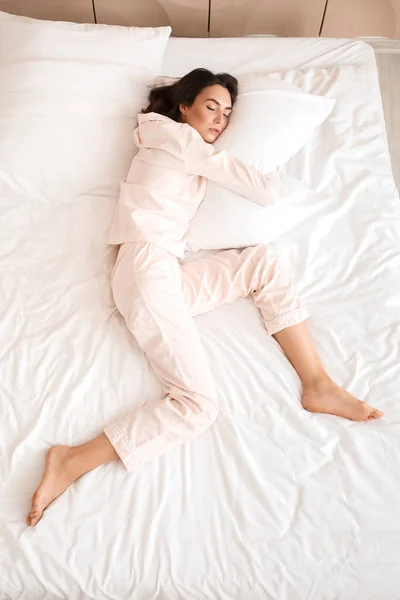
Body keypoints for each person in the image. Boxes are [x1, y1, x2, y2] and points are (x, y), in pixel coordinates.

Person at [26, 68, 383, 527]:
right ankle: (71, 460)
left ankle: (317, 383)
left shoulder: (177, 144)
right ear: (184, 106)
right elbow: (263, 191)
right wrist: (246, 162)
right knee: (197, 406)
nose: (220, 119)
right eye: (211, 106)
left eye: (228, 113)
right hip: (145, 271)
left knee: (260, 263)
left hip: (162, 272)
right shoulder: (174, 137)